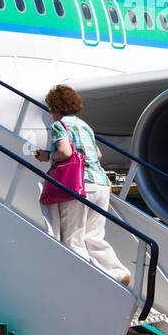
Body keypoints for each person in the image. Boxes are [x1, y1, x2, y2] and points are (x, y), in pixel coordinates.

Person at [34, 84, 130, 285]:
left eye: (51, 107)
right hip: (101, 184)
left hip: (78, 184)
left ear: (56, 107)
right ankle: (118, 273)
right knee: (94, 236)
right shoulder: (85, 126)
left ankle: (82, 280)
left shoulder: (59, 125)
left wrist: (47, 156)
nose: (50, 112)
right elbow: (98, 154)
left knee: (74, 236)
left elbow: (65, 152)